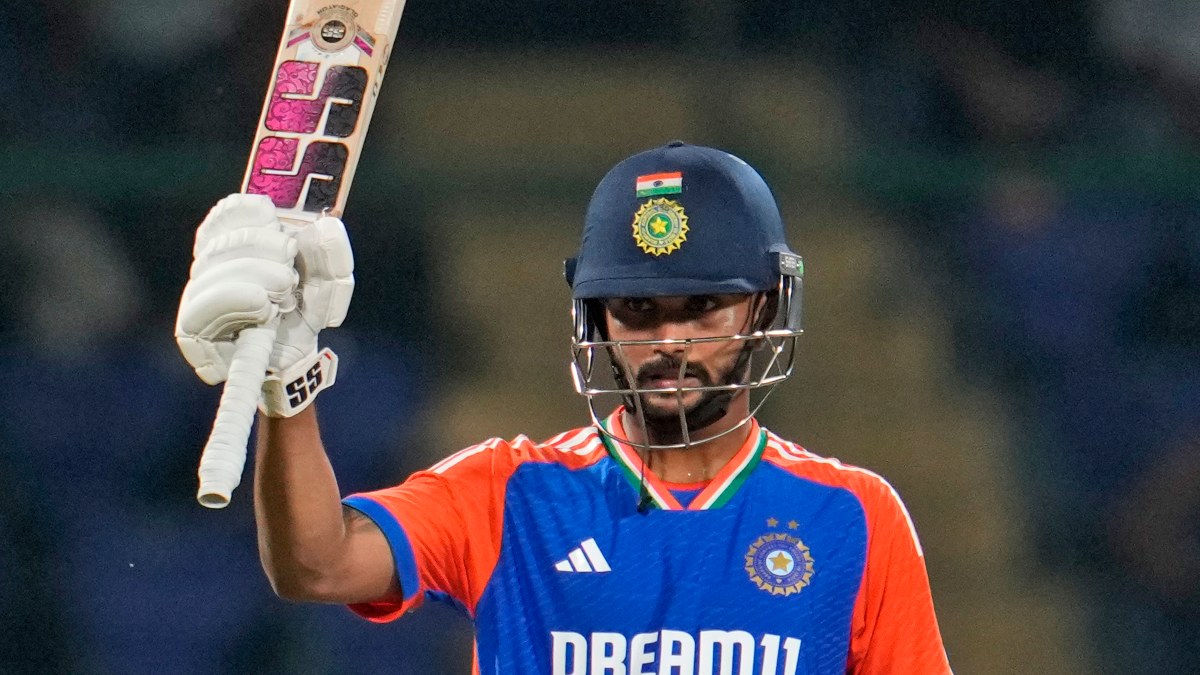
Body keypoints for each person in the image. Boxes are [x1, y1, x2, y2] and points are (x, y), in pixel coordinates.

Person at [175, 141, 952, 674]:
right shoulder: (511, 490)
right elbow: (316, 562)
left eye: (704, 307)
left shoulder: (853, 515)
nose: (670, 339)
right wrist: (288, 386)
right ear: (596, 318)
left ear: (764, 307)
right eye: (638, 311)